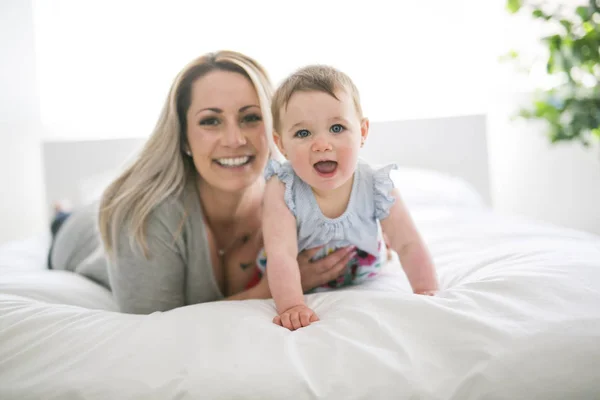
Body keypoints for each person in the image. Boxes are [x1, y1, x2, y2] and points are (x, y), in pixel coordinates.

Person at [48, 51, 356, 314]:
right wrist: (267, 289)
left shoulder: (297, 198)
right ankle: (61, 213)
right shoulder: (145, 215)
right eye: (211, 121)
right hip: (78, 233)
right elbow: (151, 328)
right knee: (67, 218)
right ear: (183, 136)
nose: (235, 140)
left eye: (250, 117)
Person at [258, 65, 439, 331]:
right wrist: (292, 305)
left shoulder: (376, 184)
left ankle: (379, 243)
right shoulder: (282, 188)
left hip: (363, 268)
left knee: (392, 238)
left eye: (337, 128)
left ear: (362, 132)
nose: (322, 144)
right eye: (303, 133)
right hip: (300, 275)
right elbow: (281, 255)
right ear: (282, 144)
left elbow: (410, 243)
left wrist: (427, 290)